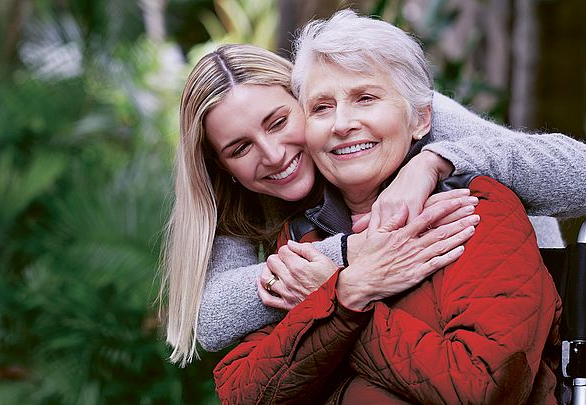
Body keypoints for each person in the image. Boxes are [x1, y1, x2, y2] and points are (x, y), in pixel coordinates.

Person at [160, 30, 586, 366]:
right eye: (239, 148)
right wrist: (348, 254)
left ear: (302, 98)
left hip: (521, 324)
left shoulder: (396, 112)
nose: (274, 154)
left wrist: (433, 160)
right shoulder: (239, 197)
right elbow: (213, 318)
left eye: (279, 121)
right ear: (222, 166)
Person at [212, 10, 564, 403]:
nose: (342, 123)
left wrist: (342, 303)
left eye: (366, 98)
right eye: (322, 107)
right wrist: (347, 290)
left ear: (420, 119)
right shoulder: (304, 238)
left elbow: (483, 389)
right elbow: (242, 395)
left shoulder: (472, 210)